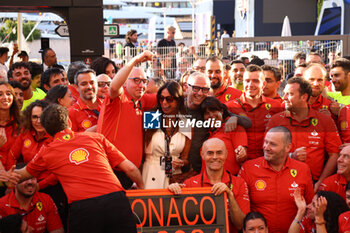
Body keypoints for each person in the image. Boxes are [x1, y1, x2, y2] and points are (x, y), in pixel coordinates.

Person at [12, 104, 144, 233]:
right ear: (69, 121)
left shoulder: (46, 152)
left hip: (84, 209)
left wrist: (4, 173)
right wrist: (141, 186)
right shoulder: (96, 138)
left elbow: (21, 175)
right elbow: (130, 168)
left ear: (46, 130)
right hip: (115, 201)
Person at [267, 77, 342, 189]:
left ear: (304, 97)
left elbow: (334, 154)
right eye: (284, 93)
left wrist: (320, 182)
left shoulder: (325, 121)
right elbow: (266, 151)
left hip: (314, 183)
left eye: (290, 94)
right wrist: (291, 156)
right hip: (280, 180)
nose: (284, 98)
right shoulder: (276, 120)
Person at [97, 51, 157, 189]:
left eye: (144, 81)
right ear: (125, 82)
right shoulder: (118, 96)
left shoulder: (142, 100)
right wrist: (135, 61)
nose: (141, 85)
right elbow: (113, 86)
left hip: (131, 176)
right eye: (136, 80)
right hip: (112, 172)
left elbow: (166, 96)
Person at [239, 126, 314, 233]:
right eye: (265, 142)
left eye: (272, 144)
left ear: (288, 147)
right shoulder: (248, 168)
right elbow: (241, 212)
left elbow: (309, 206)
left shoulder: (303, 169)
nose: (266, 147)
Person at [168, 138, 250, 233]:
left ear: (226, 154)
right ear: (202, 155)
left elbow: (240, 225)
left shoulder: (239, 183)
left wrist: (230, 195)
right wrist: (172, 193)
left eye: (219, 153)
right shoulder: (189, 184)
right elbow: (179, 221)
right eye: (210, 153)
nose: (215, 157)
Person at [185, 71, 251, 173]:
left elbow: (247, 122)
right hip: (180, 169)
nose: (200, 93)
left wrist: (235, 118)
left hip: (205, 172)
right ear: (186, 87)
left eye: (204, 89)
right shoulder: (176, 105)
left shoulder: (209, 106)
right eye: (196, 88)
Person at [226, 64, 283, 159]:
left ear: (263, 84)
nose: (250, 85)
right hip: (239, 162)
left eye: (255, 81)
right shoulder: (230, 107)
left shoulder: (276, 106)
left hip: (268, 161)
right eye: (247, 81)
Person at [143, 81, 191, 188]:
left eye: (169, 99)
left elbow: (185, 158)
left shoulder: (185, 122)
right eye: (161, 98)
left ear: (178, 100)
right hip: (152, 173)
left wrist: (181, 163)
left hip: (174, 176)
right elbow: (145, 155)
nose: (164, 102)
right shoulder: (151, 117)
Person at [0, 169, 64, 233]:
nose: (30, 182)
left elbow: (57, 230)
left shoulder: (45, 199)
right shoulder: (2, 204)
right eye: (25, 179)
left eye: (33, 178)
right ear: (14, 182)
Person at [200, 97, 247, 175]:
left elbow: (242, 157)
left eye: (213, 111)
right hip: (206, 182)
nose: (211, 115)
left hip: (228, 181)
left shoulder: (233, 127)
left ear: (221, 111)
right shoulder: (206, 132)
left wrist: (241, 153)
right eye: (207, 113)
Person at [0, 82, 20, 171]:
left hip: (18, 176)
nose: (5, 97)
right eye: (0, 94)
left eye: (8, 93)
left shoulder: (22, 123)